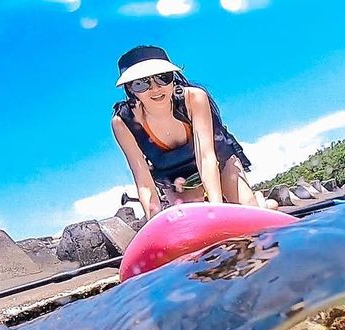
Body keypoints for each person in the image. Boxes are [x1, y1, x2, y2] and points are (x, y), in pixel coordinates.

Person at [111, 45, 268, 219]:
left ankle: (262, 202)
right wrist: (152, 221)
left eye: (163, 78)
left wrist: (217, 210)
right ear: (130, 89)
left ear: (173, 78)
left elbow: (207, 157)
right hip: (175, 178)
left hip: (218, 160)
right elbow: (143, 181)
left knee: (249, 212)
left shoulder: (193, 98)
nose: (155, 89)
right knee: (193, 221)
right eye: (141, 83)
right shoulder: (123, 123)